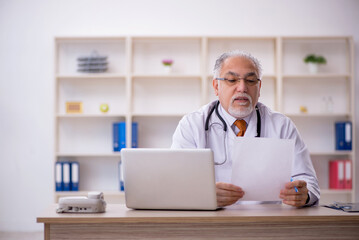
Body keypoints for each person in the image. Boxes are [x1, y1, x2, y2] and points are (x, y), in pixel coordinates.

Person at [171, 50, 320, 208]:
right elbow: (176, 183)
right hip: (211, 222)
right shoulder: (192, 125)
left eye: (250, 80)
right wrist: (204, 195)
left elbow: (308, 182)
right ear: (216, 86)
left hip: (267, 224)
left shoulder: (282, 126)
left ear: (259, 87)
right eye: (231, 80)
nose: (242, 88)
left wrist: (302, 194)